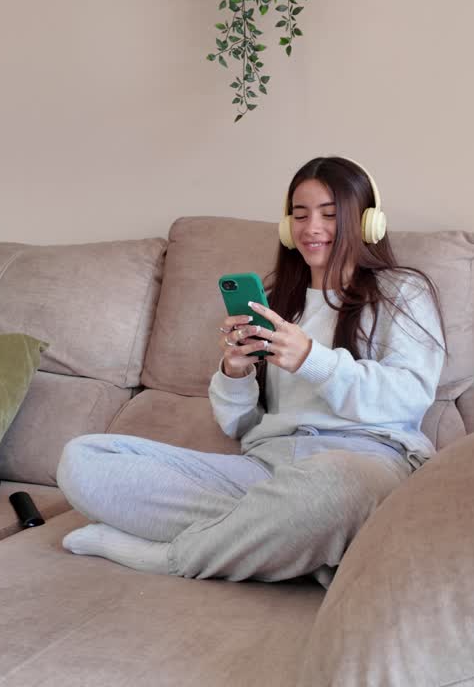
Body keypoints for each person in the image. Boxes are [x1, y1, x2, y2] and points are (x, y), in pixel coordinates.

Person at [56, 156, 446, 585]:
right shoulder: (279, 301)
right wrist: (235, 373)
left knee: (334, 488)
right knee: (83, 460)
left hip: (363, 461)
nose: (311, 228)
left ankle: (172, 557)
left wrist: (312, 359)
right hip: (267, 470)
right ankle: (297, 545)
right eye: (299, 215)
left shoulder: (401, 291)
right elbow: (240, 425)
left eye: (330, 215)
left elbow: (410, 396)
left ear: (367, 222)